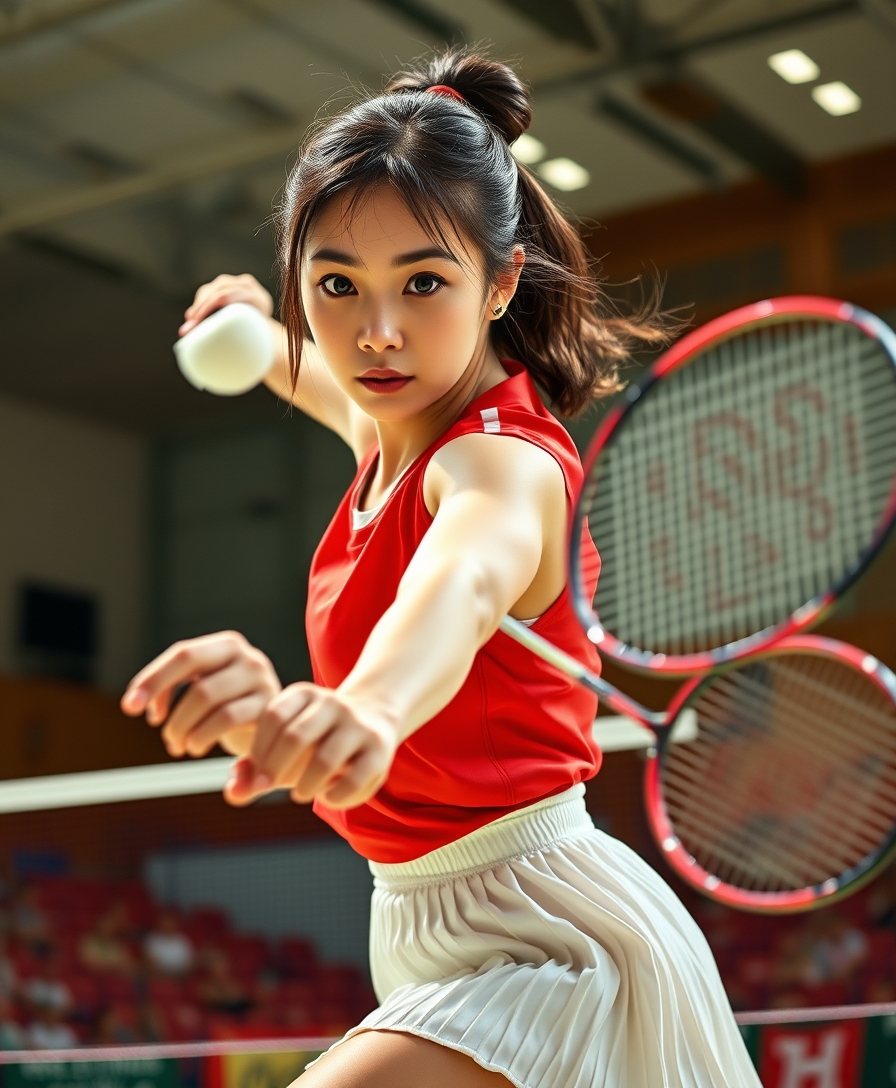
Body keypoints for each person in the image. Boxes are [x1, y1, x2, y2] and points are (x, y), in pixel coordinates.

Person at [122, 48, 762, 1088]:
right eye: (337, 284)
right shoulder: (393, 420)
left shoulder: (499, 466)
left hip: (547, 943)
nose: (376, 332)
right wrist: (254, 325)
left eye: (424, 280)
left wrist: (367, 705)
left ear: (500, 279)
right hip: (416, 920)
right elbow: (326, 377)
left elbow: (457, 584)